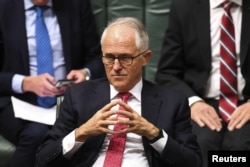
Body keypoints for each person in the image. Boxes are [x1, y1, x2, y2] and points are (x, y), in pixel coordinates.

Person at [36, 17, 201, 167]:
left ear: (145, 58)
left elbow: (193, 162)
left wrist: (153, 133)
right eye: (109, 57)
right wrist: (81, 133)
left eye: (125, 58)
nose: (115, 67)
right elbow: (43, 159)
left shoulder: (172, 101)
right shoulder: (78, 96)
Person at [0, 0, 104, 166]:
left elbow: (98, 58)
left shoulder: (76, 5)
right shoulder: (4, 7)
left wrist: (85, 73)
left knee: (87, 134)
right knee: (37, 134)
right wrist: (24, 83)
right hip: (17, 100)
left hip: (67, 99)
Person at [155, 0, 250, 167]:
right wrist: (192, 102)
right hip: (201, 102)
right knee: (201, 145)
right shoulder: (184, 7)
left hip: (246, 104)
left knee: (240, 147)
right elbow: (167, 74)